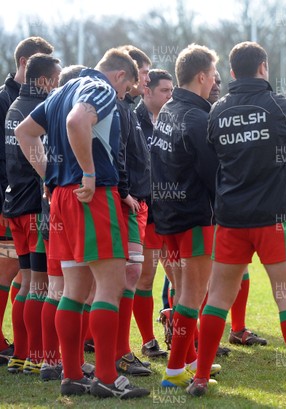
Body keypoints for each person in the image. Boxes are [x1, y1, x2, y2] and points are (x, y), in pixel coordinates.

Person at [191, 40, 286, 399]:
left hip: (232, 218)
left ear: (233, 72)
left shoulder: (218, 109)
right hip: (274, 216)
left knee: (218, 297)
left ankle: (201, 377)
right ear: (263, 68)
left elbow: (213, 149)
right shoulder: (277, 104)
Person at [15, 48, 149, 398]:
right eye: (127, 90)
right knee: (109, 283)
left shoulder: (60, 91)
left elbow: (25, 133)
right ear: (119, 76)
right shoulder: (99, 88)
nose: (122, 98)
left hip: (62, 197)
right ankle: (106, 376)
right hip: (91, 195)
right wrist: (88, 172)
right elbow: (78, 122)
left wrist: (50, 175)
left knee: (73, 290)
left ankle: (71, 374)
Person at [150, 44, 221, 389]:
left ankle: (190, 358)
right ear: (202, 76)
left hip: (167, 218)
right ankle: (176, 370)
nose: (214, 82)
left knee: (182, 293)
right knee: (193, 296)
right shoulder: (198, 117)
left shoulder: (168, 109)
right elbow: (212, 175)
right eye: (213, 75)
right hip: (193, 217)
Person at [3, 54, 61, 375]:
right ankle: (37, 355)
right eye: (56, 78)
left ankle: (22, 355)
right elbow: (46, 163)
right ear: (43, 80)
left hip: (15, 205)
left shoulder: (14, 106)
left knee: (27, 283)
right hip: (35, 209)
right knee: (41, 286)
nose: (59, 84)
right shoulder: (38, 113)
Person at [205, 69, 267, 349]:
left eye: (220, 80)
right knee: (197, 276)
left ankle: (238, 328)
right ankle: (195, 336)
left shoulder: (222, 111)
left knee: (239, 272)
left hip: (227, 209)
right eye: (212, 80)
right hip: (206, 208)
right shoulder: (205, 115)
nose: (217, 85)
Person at [112, 45, 159, 374]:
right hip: (124, 204)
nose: (146, 81)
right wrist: (127, 192)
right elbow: (115, 154)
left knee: (126, 277)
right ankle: (117, 352)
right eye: (143, 74)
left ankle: (116, 349)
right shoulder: (115, 106)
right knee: (123, 278)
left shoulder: (126, 106)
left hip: (136, 204)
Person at [133, 68, 176, 354]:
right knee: (145, 278)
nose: (171, 96)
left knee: (181, 276)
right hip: (146, 212)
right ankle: (148, 341)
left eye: (173, 90)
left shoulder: (174, 119)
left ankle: (183, 331)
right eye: (165, 91)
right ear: (146, 90)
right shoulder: (132, 119)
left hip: (173, 212)